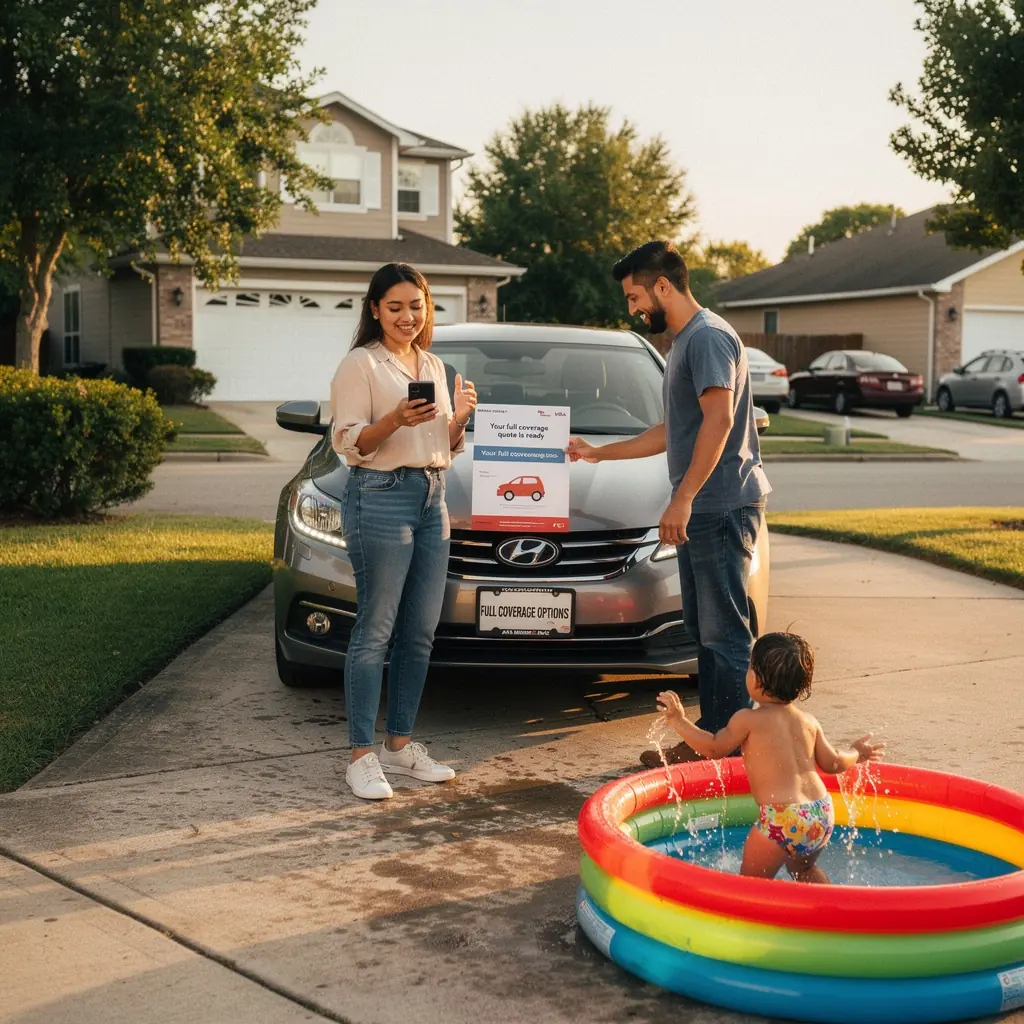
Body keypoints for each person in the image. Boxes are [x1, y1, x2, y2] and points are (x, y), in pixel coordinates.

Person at [567, 240, 771, 767]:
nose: (632, 306)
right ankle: (711, 740)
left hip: (721, 507)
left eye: (635, 294)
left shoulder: (705, 338)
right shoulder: (684, 342)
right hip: (706, 508)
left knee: (725, 636)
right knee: (706, 632)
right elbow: (672, 429)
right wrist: (599, 453)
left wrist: (681, 499)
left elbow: (720, 421)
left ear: (663, 285)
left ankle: (733, 753)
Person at [330, 262, 477, 800]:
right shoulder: (360, 364)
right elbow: (350, 443)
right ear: (374, 310)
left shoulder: (434, 364)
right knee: (376, 628)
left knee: (420, 631)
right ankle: (361, 755)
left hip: (432, 496)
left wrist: (458, 419)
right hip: (380, 497)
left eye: (416, 306)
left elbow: (441, 446)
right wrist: (394, 419)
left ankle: (400, 745)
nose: (407, 316)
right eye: (395, 307)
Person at [656, 632, 885, 882]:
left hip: (782, 818)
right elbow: (834, 763)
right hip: (820, 813)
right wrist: (858, 752)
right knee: (803, 871)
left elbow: (713, 748)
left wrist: (679, 721)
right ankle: (828, 914)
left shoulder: (748, 719)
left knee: (751, 885)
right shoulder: (808, 722)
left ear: (753, 678)